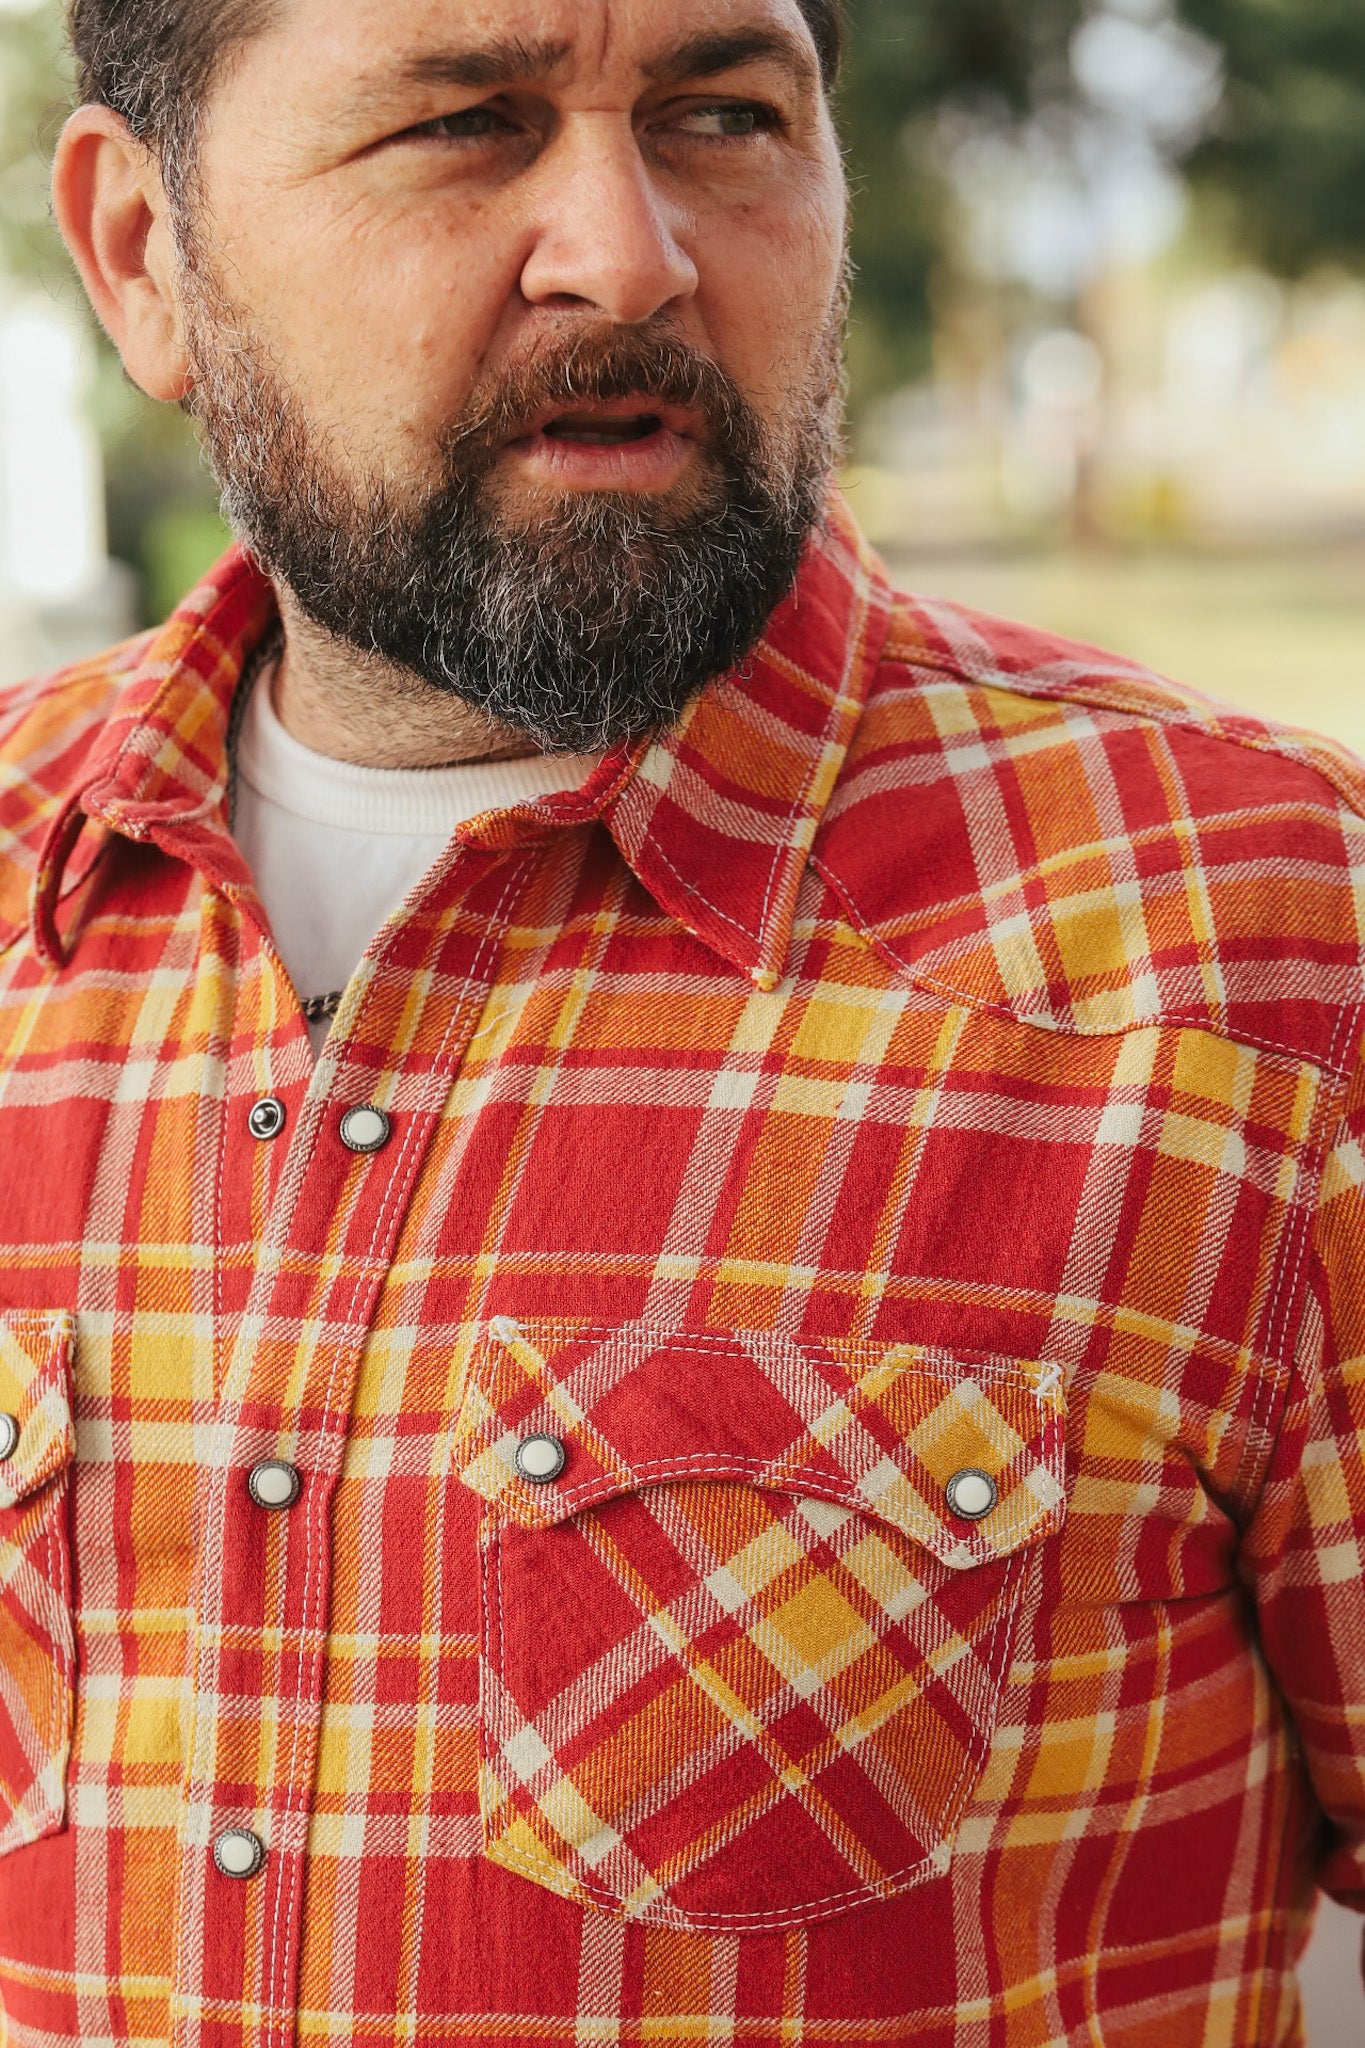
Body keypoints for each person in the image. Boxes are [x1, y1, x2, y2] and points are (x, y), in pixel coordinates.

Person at [0, 0, 1362, 2040]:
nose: (629, 253)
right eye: (466, 124)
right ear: (142, 255)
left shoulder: (1265, 944)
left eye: (722, 115)